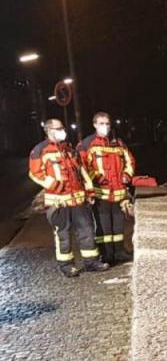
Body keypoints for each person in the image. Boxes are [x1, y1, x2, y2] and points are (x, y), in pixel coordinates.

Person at [28, 119, 109, 277]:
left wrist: (90, 192)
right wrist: (55, 185)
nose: (62, 130)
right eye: (59, 128)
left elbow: (82, 171)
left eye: (63, 127)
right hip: (59, 202)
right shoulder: (40, 150)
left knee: (87, 231)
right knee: (63, 235)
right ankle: (66, 266)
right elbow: (35, 173)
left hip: (78, 200)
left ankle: (91, 262)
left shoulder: (69, 149)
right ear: (49, 130)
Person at [78, 112, 135, 263]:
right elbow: (81, 166)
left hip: (118, 193)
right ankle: (106, 254)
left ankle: (119, 252)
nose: (105, 127)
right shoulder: (88, 143)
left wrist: (127, 176)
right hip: (100, 194)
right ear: (95, 125)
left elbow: (130, 161)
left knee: (118, 226)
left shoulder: (118, 142)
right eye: (101, 123)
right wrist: (95, 177)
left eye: (107, 123)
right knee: (103, 228)